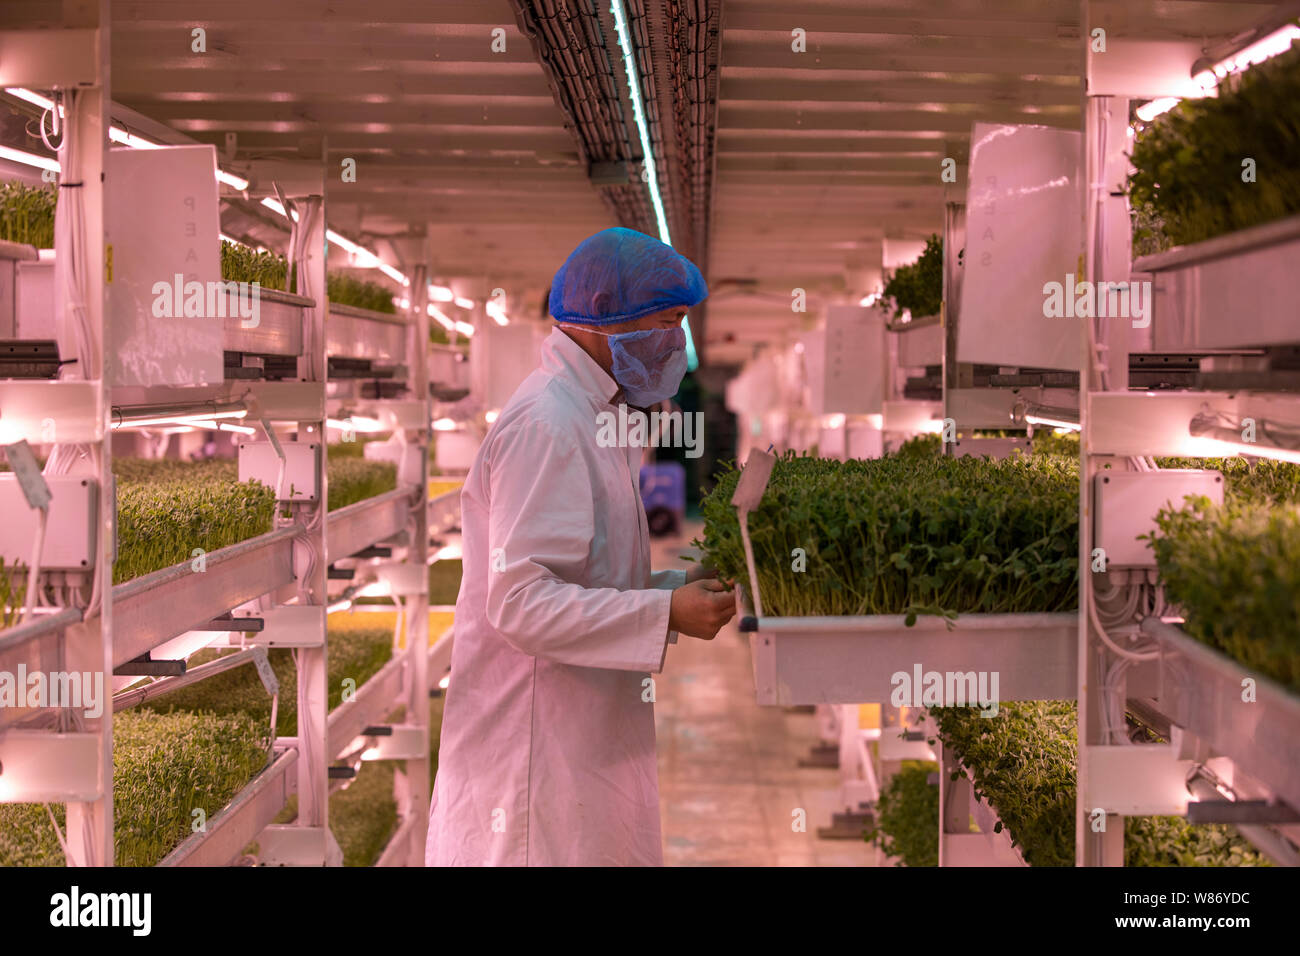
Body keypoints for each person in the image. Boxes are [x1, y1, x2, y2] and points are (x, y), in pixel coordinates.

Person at [425, 227, 737, 866]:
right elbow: (522, 603)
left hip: (577, 737)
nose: (676, 343)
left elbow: (585, 581)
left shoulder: (592, 414)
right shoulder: (549, 424)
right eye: (668, 322)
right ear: (607, 319)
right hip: (532, 753)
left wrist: (676, 591)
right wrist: (663, 615)